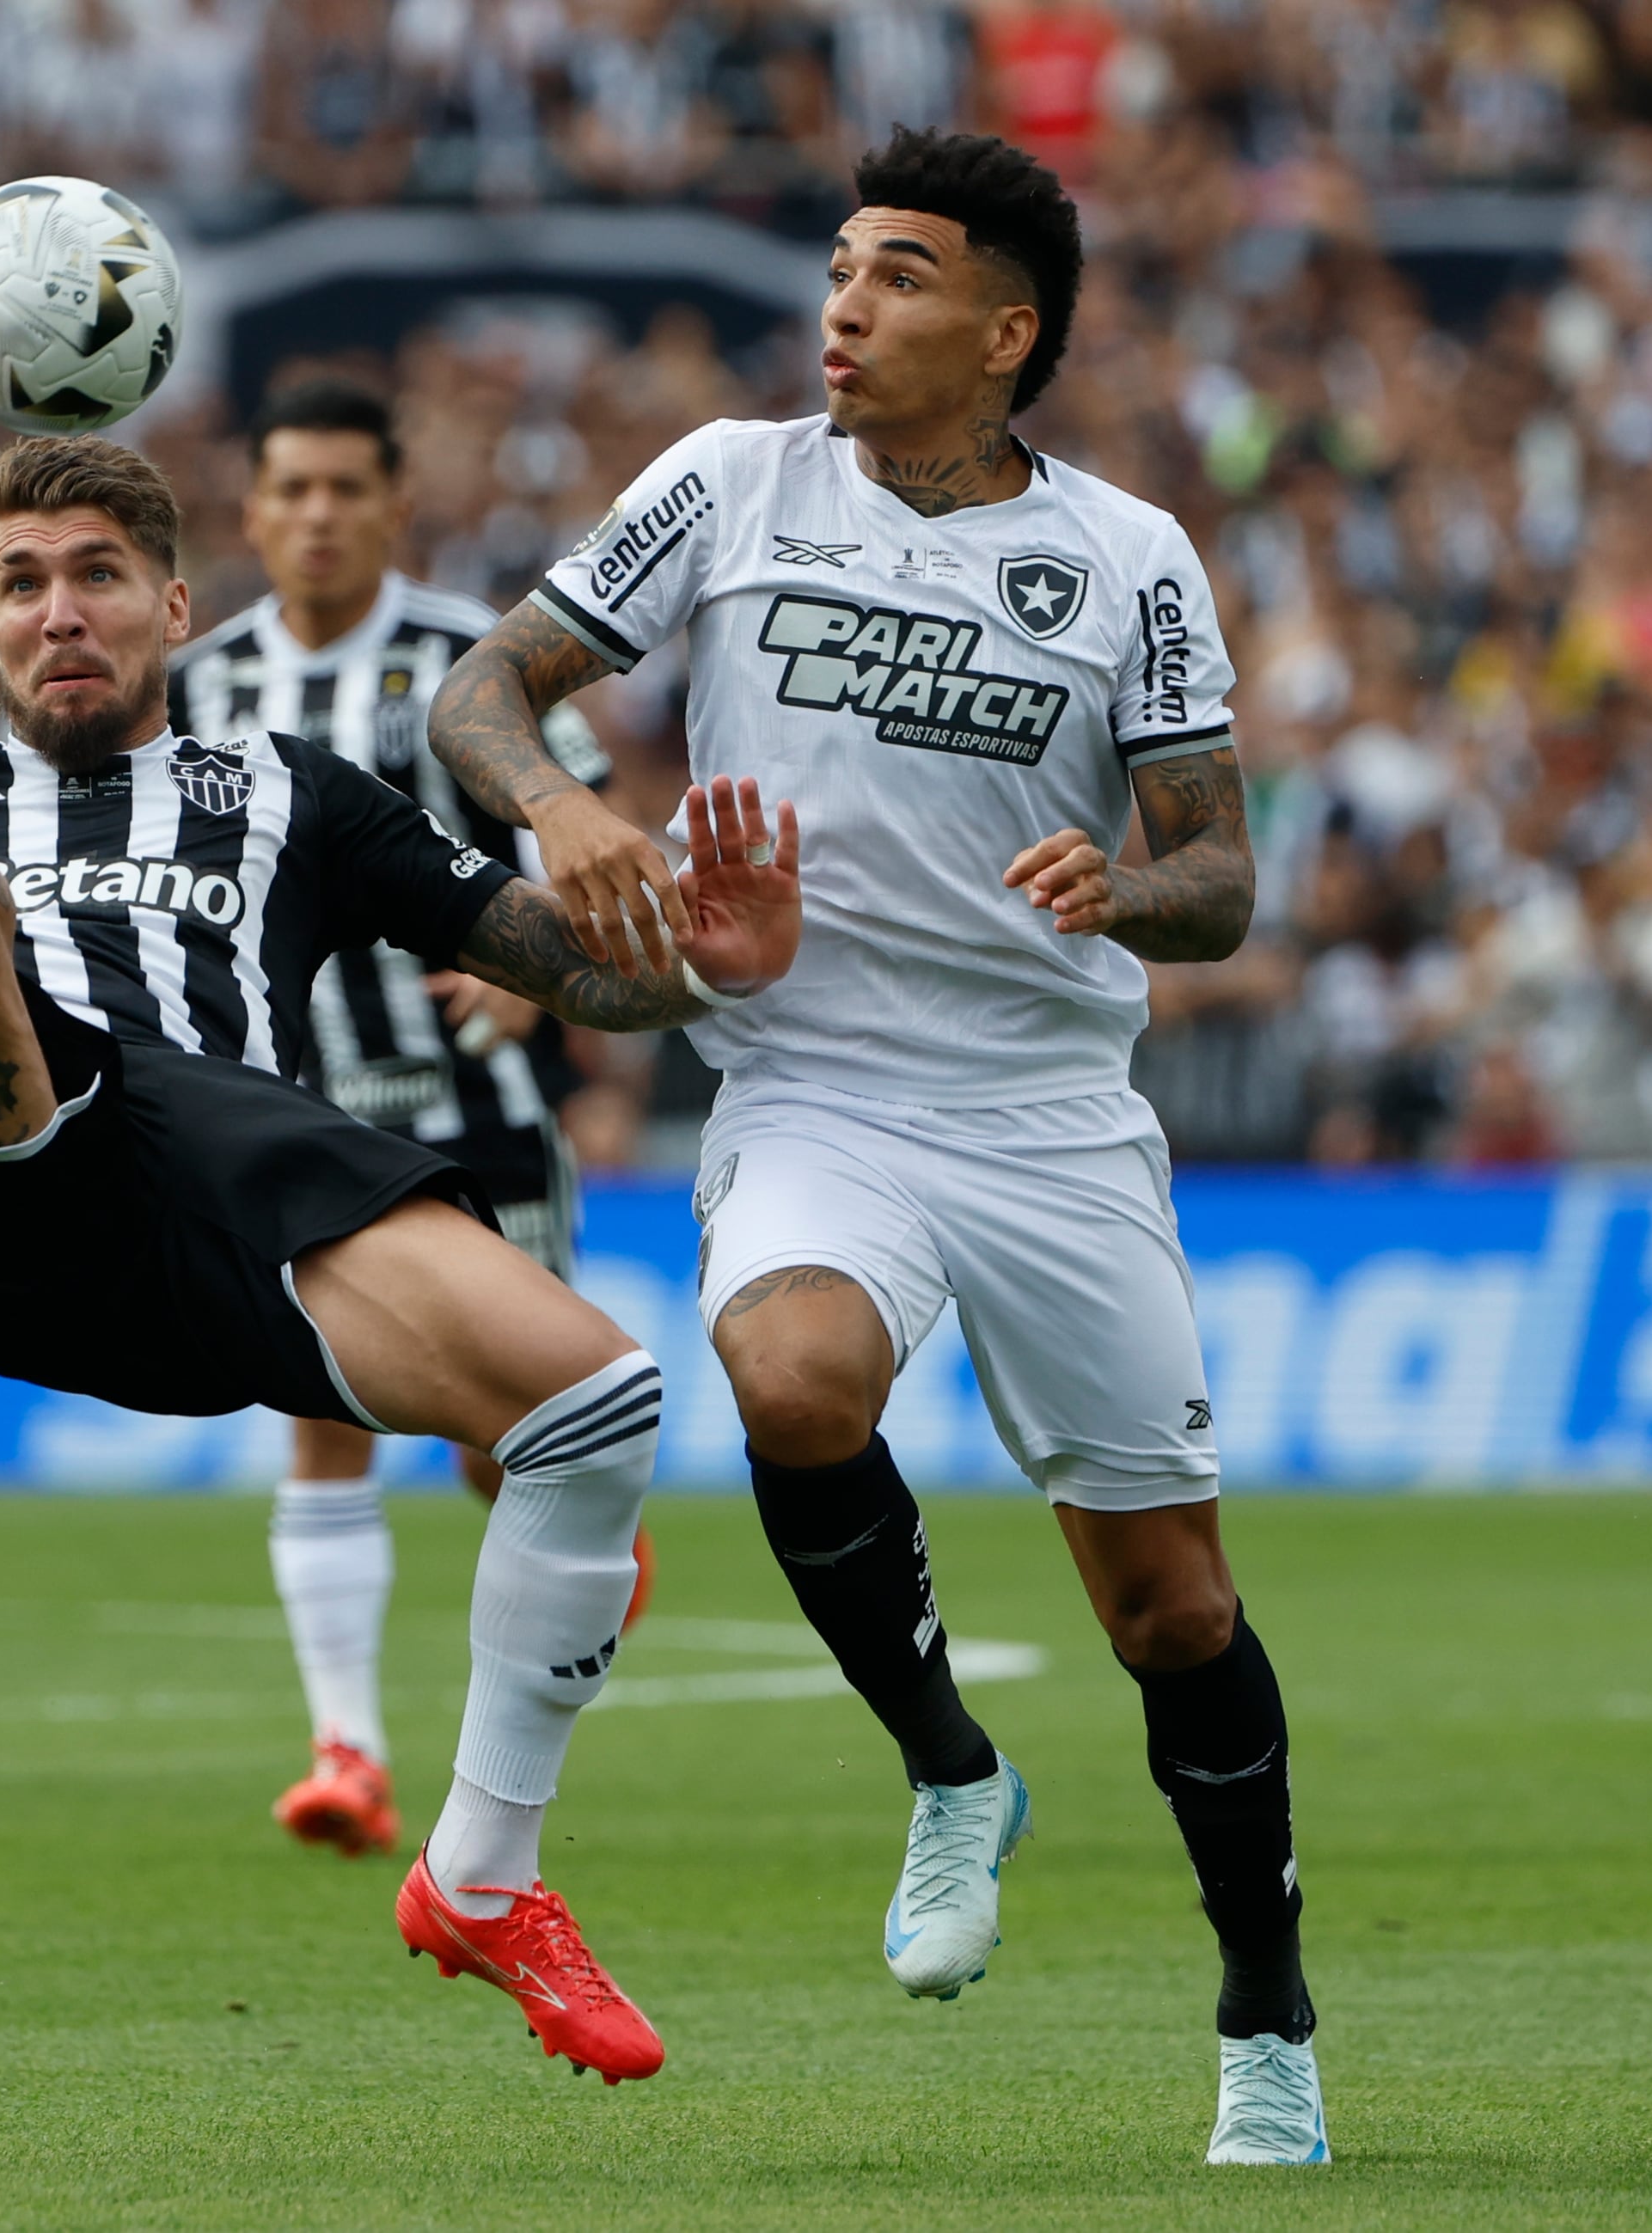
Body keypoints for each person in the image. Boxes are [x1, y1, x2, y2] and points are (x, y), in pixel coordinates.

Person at [0, 248, 804, 2085]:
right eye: (18, 584)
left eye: (95, 576)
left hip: (221, 1231)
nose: (57, 614)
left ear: (177, 603)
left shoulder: (297, 797)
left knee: (599, 1406)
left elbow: (563, 964)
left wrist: (702, 959)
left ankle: (483, 1877)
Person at [426, 129, 1328, 2164]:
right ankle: (946, 1769)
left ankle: (1264, 2015)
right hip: (811, 1085)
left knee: (1172, 1615)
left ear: (1006, 334)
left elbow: (1222, 880)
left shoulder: (1129, 557)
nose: (845, 303)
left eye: (900, 276)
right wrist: (566, 813)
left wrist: (1126, 887)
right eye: (839, 266)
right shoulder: (729, 483)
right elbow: (483, 693)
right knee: (790, 1373)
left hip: (1046, 1116)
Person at [167, 376, 653, 1863]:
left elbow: (589, 846)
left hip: (479, 1107)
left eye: (344, 489)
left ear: (394, 506)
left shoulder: (468, 663)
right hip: (294, 1111)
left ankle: (526, 1700)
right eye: (290, 489)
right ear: (253, 511)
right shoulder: (194, 689)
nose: (316, 515)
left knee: (510, 1449)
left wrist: (542, 994)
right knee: (321, 1421)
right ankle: (350, 1753)